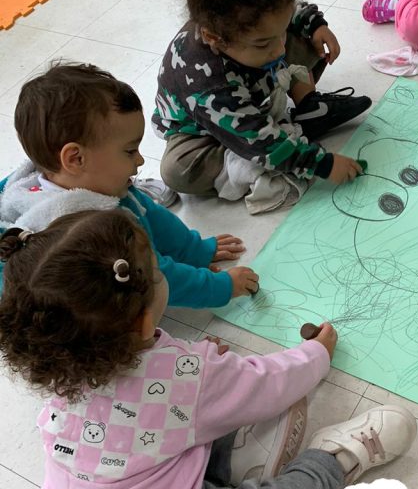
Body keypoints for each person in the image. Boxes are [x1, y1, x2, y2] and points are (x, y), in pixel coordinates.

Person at [0, 209, 417, 489]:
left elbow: (143, 399)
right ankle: (331, 463)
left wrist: (193, 373)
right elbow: (269, 384)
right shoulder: (181, 377)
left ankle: (223, 467)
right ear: (143, 320)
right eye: (159, 271)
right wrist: (317, 354)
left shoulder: (66, 372)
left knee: (200, 416)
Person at [0, 62, 257, 306]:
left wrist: (193, 249)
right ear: (76, 159)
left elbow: (153, 216)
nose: (140, 160)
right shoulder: (86, 233)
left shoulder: (100, 183)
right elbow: (153, 276)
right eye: (130, 151)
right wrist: (220, 287)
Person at [154, 0, 370, 212]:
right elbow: (256, 139)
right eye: (263, 43)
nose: (279, 49)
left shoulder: (252, 21)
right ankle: (242, 158)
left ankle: (308, 105)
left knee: (307, 40)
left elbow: (287, 10)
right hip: (203, 133)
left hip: (250, 89)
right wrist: (322, 164)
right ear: (214, 38)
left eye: (279, 33)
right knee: (178, 170)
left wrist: (314, 24)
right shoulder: (210, 85)